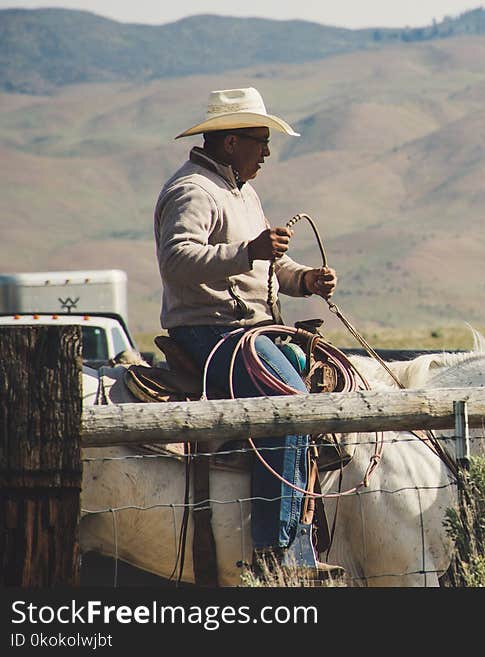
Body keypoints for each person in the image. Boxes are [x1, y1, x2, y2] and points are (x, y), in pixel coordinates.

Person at [153, 87, 340, 576]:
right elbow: (176, 261)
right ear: (230, 141)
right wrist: (248, 252)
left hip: (247, 329)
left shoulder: (241, 191)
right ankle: (276, 552)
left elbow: (268, 262)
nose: (267, 152)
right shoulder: (192, 190)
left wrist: (304, 279)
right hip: (208, 329)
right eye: (260, 140)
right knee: (288, 402)